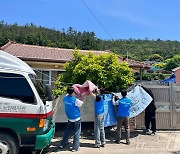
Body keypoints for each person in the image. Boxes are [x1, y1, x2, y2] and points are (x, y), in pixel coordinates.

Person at [59, 87, 83, 152]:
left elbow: (68, 95)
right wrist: (81, 97)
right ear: (73, 93)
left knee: (67, 130)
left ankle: (62, 144)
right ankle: (75, 147)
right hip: (76, 118)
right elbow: (81, 104)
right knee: (77, 132)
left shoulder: (65, 99)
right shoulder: (75, 100)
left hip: (70, 117)